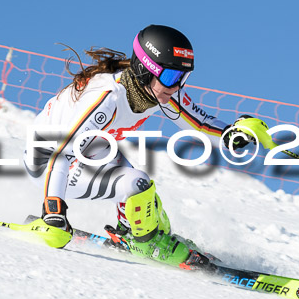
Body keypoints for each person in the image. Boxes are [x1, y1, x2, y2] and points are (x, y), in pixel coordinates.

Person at [24, 24, 270, 267]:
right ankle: (145, 243)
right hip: (48, 164)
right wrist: (53, 211)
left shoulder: (158, 89)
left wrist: (232, 134)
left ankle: (136, 233)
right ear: (145, 69)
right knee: (137, 184)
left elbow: (199, 124)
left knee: (151, 207)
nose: (176, 87)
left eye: (183, 77)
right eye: (172, 77)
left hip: (93, 151)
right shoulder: (107, 99)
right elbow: (62, 154)